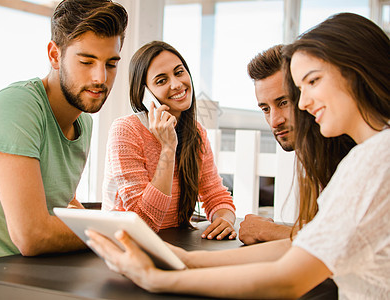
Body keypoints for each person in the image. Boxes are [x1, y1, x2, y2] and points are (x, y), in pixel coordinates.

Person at [86, 13, 390, 299]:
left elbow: (289, 275)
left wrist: (158, 278)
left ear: (356, 72)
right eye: (161, 80)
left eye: (310, 83)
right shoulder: (370, 156)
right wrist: (188, 260)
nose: (304, 103)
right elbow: (304, 246)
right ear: (144, 94)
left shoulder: (371, 161)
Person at [0, 0, 128, 262]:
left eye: (111, 64)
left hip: (23, 268)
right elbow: (32, 235)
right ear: (54, 55)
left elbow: (62, 202)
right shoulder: (17, 106)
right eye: (87, 61)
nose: (100, 78)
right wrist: (116, 231)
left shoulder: (83, 121)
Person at [102, 41, 236, 240]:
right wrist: (168, 148)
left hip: (177, 243)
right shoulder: (126, 130)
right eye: (161, 80)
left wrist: (224, 219)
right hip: (127, 244)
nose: (176, 84)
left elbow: (216, 195)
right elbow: (142, 222)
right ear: (145, 94)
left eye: (179, 72)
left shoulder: (196, 132)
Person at [240, 45, 355, 245]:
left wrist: (269, 230)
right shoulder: (314, 154)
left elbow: (343, 241)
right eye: (265, 109)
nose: (275, 121)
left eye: (283, 102)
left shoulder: (350, 152)